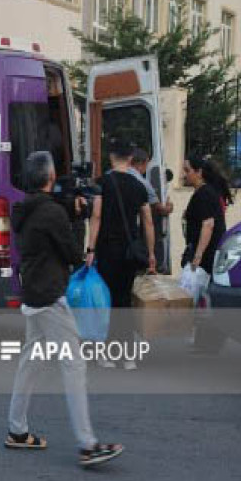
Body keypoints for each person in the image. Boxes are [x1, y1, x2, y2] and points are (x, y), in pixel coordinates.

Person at [5, 151, 124, 467]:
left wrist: (67, 213)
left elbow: (46, 243)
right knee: (74, 366)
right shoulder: (52, 214)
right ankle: (88, 445)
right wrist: (76, 219)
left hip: (33, 294)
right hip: (50, 298)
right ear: (50, 178)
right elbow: (73, 254)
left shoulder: (24, 210)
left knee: (30, 363)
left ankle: (17, 431)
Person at [86, 141, 155, 368]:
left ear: (111, 158)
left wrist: (90, 249)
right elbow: (148, 222)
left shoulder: (102, 183)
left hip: (107, 250)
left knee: (104, 301)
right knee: (124, 300)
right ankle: (128, 357)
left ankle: (104, 354)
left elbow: (95, 217)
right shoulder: (139, 187)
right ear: (131, 158)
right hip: (129, 252)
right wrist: (151, 253)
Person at [181, 157, 229, 279]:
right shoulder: (205, 192)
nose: (184, 175)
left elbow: (208, 224)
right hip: (205, 253)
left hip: (206, 256)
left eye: (187, 170)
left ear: (199, 172)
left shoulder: (204, 193)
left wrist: (198, 256)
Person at [128, 147, 173, 262]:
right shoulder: (143, 184)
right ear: (141, 163)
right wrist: (169, 207)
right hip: (133, 235)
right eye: (147, 164)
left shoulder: (112, 176)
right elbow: (159, 209)